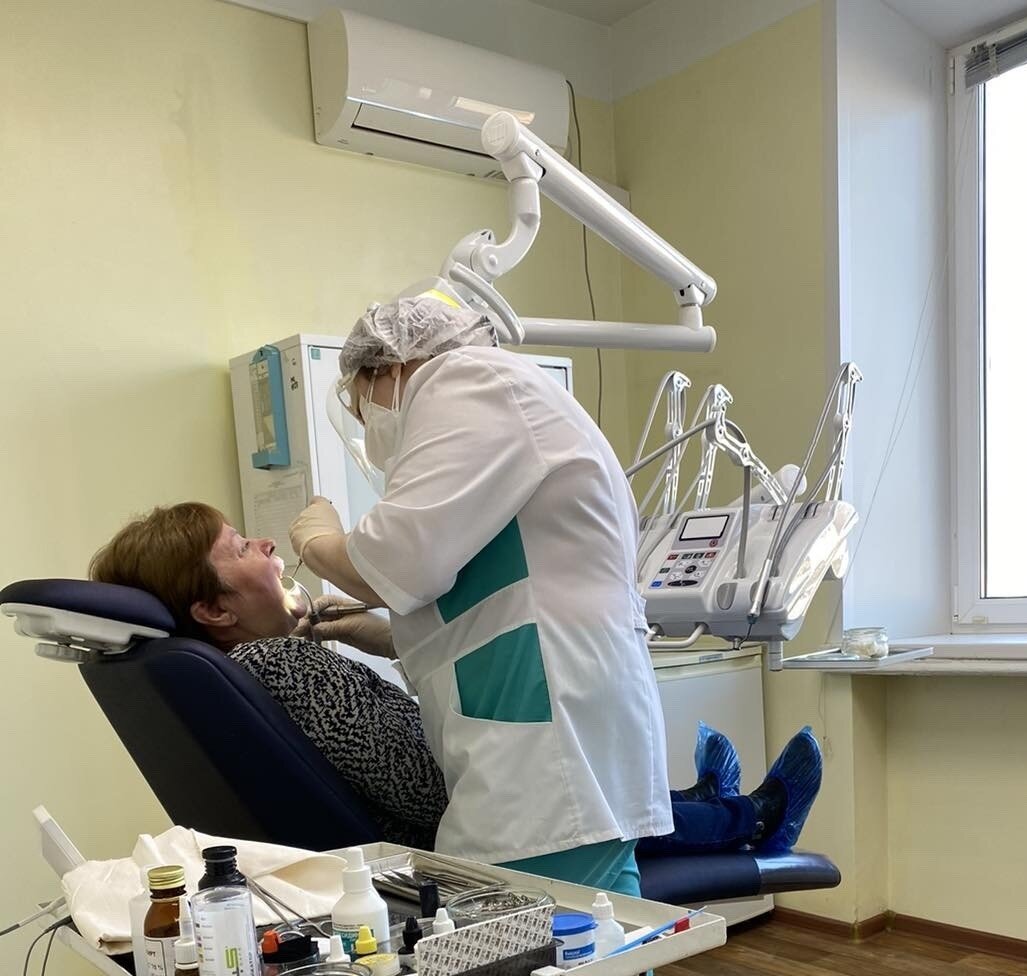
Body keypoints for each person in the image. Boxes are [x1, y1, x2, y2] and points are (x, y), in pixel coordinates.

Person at [90, 504, 823, 863]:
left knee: (571, 771)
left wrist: (382, 640)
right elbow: (428, 790)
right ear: (215, 610)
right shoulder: (287, 666)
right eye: (240, 547)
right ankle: (752, 821)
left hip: (407, 841)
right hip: (455, 850)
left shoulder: (241, 670)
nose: (266, 543)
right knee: (567, 777)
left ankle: (704, 802)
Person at [286, 293, 675, 895]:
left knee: (549, 926)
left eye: (365, 407)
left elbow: (398, 558)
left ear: (390, 366)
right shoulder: (495, 399)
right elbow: (493, 590)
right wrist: (390, 638)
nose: (369, 428)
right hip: (551, 718)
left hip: (548, 742)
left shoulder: (467, 381)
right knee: (599, 925)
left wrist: (319, 543)